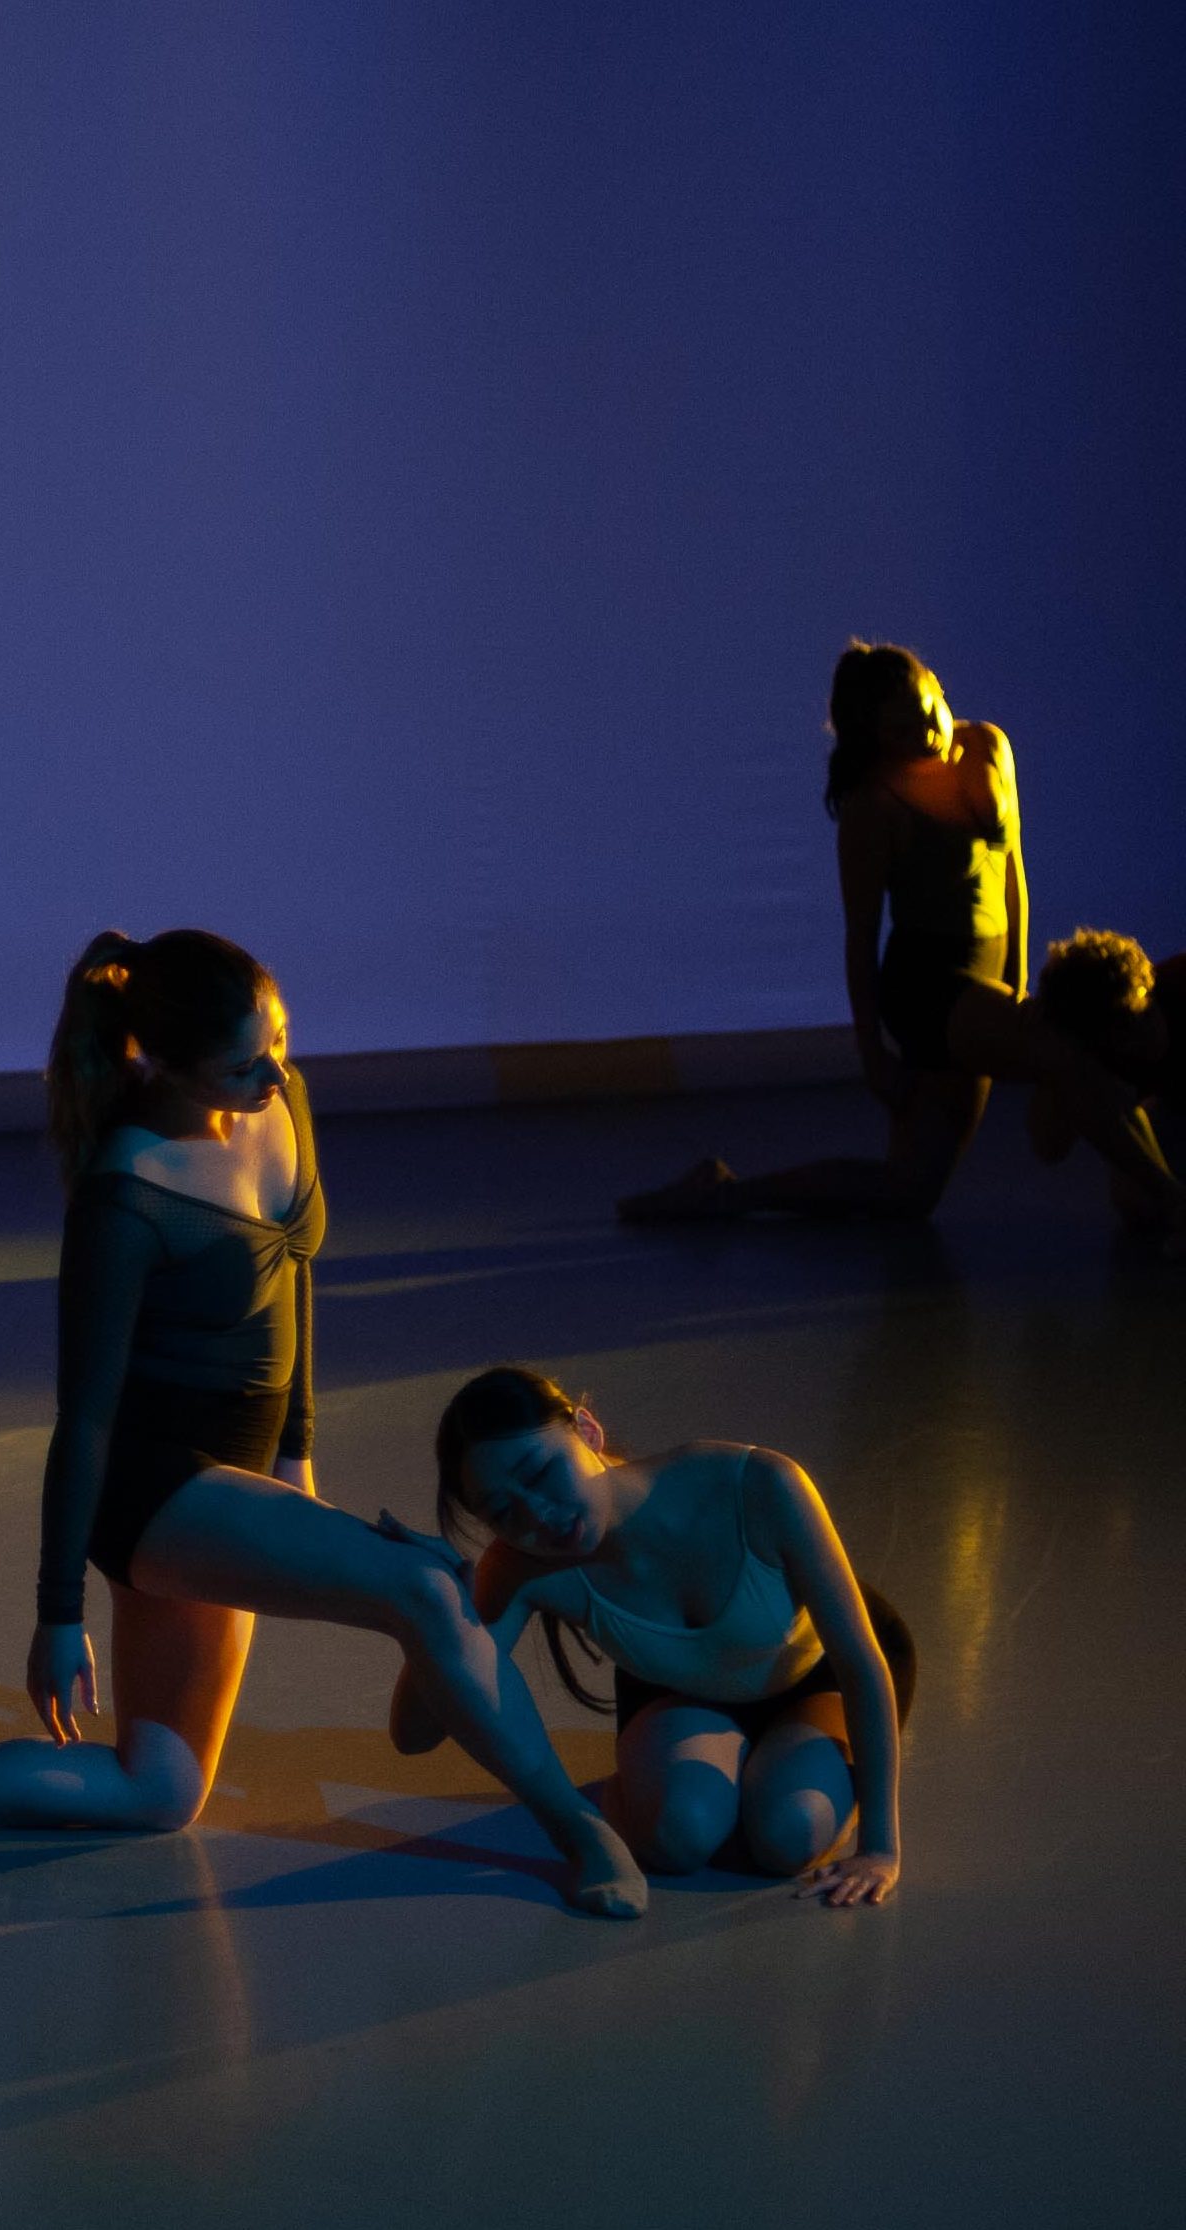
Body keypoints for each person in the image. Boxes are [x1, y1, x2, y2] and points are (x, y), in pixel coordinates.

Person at [0, 930, 647, 1918]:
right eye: (243, 1065)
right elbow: (84, 1417)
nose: (272, 1074)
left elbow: (292, 1275)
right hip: (151, 1487)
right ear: (168, 1065)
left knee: (157, 1790)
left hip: (235, 1475)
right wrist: (58, 1614)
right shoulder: (127, 1195)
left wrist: (294, 1455)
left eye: (277, 1042)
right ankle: (582, 1834)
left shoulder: (278, 1097)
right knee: (421, 1585)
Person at [620, 642, 1182, 1232]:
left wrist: (1016, 985)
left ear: (937, 686)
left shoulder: (987, 745)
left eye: (926, 713)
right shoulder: (874, 806)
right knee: (1071, 1060)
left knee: (908, 1190)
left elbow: (1012, 871)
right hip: (930, 988)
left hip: (985, 983)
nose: (924, 735)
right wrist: (872, 1057)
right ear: (874, 739)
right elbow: (860, 939)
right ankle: (1174, 1202)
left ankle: (724, 1191)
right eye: (900, 732)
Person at [391, 1367, 911, 1906]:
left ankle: (752, 1770)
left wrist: (880, 1848)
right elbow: (416, 1733)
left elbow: (860, 1661)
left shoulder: (757, 1483)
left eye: (543, 1472)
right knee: (678, 1835)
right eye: (503, 1512)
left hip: (814, 1675)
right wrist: (435, 1602)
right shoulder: (518, 1565)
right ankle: (681, 1781)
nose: (538, 1514)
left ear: (587, 1431)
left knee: (791, 1831)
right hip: (676, 1687)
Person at [1026, 928, 1185, 1236]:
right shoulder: (1099, 1043)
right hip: (1172, 1103)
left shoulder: (1177, 985)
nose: (1140, 1039)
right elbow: (1048, 1146)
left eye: (1143, 1019)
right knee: (1136, 1202)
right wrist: (1054, 1053)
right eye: (1123, 1034)